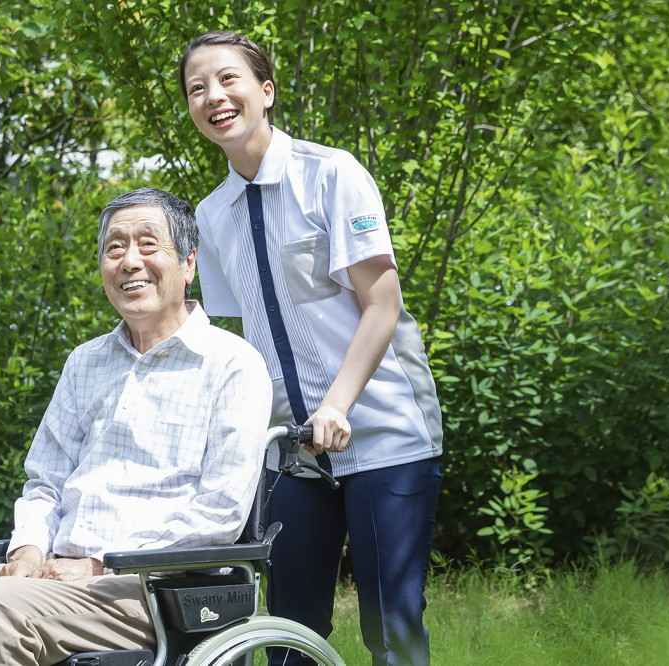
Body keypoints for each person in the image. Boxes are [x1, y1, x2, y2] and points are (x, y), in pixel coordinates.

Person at [0, 188, 273, 666]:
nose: (129, 261)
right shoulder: (86, 362)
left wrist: (101, 562)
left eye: (148, 244)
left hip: (152, 587)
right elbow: (45, 481)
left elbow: (220, 512)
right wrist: (29, 550)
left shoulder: (232, 364)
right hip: (57, 576)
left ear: (188, 263)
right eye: (114, 248)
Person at [179, 32, 444, 666]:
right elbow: (241, 338)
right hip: (291, 451)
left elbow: (383, 305)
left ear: (265, 91)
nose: (214, 96)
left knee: (393, 627)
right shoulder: (213, 215)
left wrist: (338, 405)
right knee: (288, 635)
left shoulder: (331, 174)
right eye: (196, 89)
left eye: (227, 80)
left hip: (384, 434)